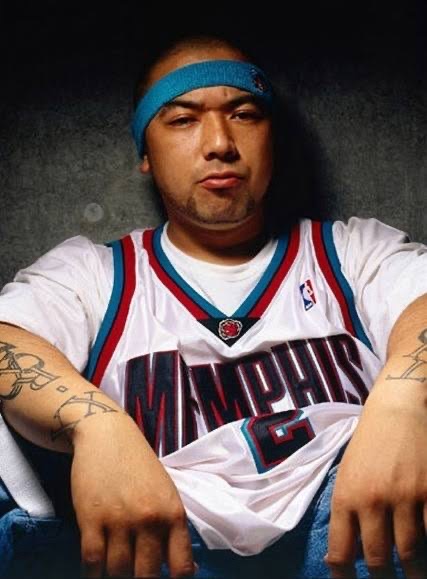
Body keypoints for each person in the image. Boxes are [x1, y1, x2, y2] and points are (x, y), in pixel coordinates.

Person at [0, 34, 426, 579]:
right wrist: (97, 426)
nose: (220, 143)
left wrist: (402, 403)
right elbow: (7, 338)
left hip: (353, 527)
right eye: (183, 120)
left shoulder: (350, 252)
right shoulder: (95, 275)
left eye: (244, 114)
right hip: (163, 537)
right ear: (146, 154)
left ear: (272, 137)